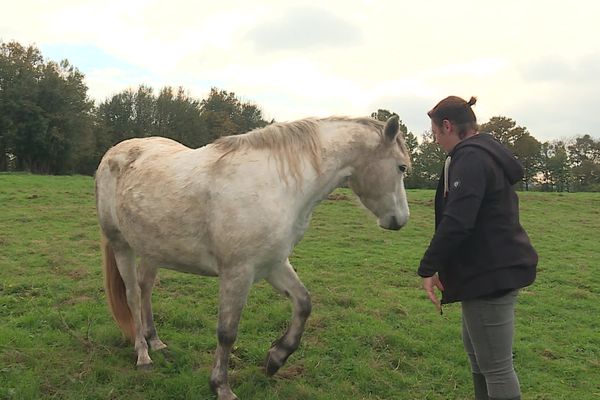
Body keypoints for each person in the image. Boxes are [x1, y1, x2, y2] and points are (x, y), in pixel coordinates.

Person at [418, 96, 537, 400]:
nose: (435, 142)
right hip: (487, 271)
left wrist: (428, 266)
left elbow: (458, 220)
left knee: (496, 368)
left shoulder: (470, 157)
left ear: (448, 126)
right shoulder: (483, 153)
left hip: (489, 274)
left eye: (434, 134)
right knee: (479, 358)